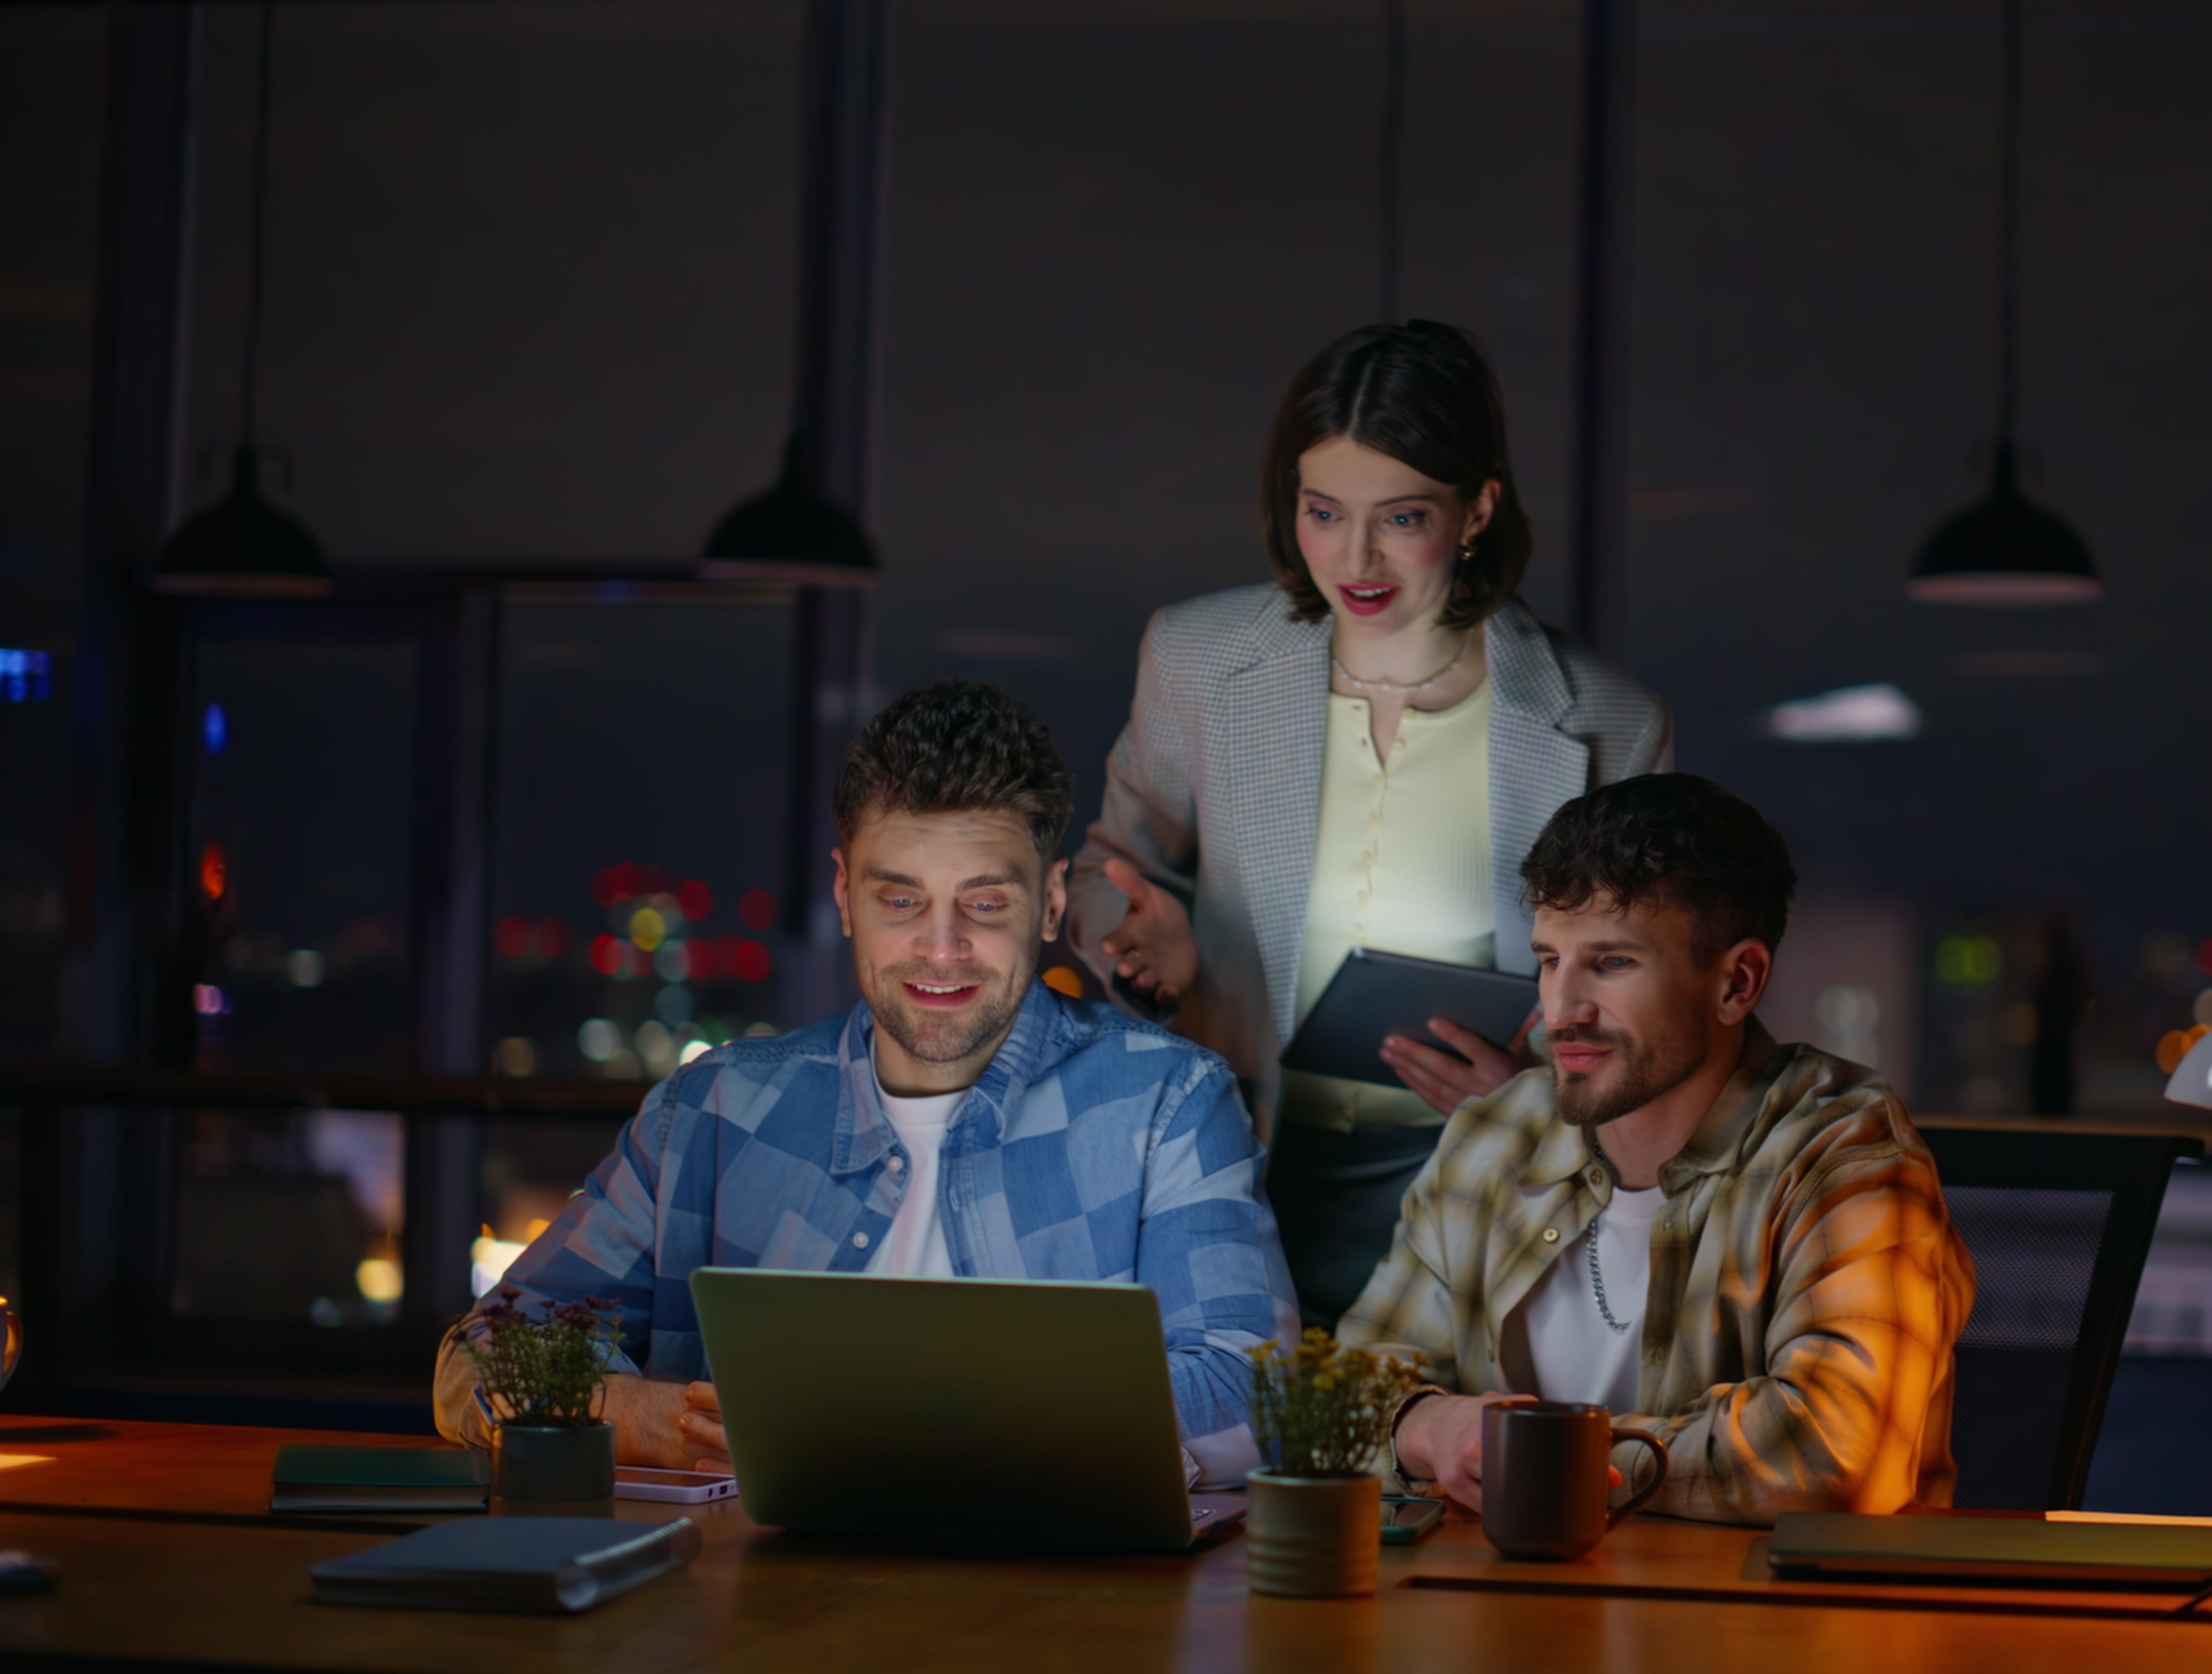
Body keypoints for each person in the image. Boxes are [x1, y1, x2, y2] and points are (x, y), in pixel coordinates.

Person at [432, 680, 1294, 1485]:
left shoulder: (1166, 1104)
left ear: (1053, 904)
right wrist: (661, 1421)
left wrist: (911, 1428)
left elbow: (1251, 1391)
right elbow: (484, 1351)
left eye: (987, 904)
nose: (943, 949)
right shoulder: (712, 1113)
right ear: (846, 894)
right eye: (901, 901)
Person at [1070, 320, 1670, 1327]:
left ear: (1477, 507)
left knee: (1436, 1471)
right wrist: (1139, 936)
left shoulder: (1609, 719)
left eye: (1400, 518)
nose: (1354, 557)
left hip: (1482, 1177)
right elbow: (1111, 867)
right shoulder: (1198, 657)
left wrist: (1531, 1090)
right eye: (1322, 512)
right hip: (1235, 1153)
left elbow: (1644, 995)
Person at [1336, 774, 1976, 1525]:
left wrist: (1541, 1454)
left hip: (1765, 1627)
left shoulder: (1845, 1152)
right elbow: (1346, 1394)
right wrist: (1428, 1427)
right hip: (1503, 1609)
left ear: (1737, 983)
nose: (1561, 1010)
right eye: (1550, 959)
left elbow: (1832, 1458)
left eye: (1611, 964)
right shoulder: (1496, 1134)